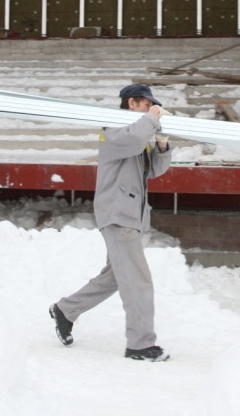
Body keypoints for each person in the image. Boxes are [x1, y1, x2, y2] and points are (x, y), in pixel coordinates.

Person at [49, 83, 172, 362]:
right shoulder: (113, 129)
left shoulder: (137, 133)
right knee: (138, 279)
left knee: (116, 276)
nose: (152, 108)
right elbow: (133, 139)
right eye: (147, 104)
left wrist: (162, 145)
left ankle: (65, 310)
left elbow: (154, 169)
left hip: (128, 214)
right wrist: (152, 120)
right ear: (132, 103)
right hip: (118, 213)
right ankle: (140, 345)